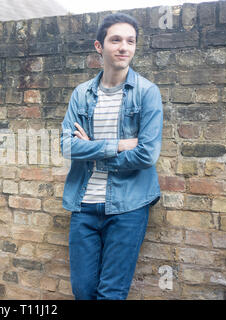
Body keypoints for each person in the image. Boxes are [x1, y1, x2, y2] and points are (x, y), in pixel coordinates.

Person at [60, 13, 164, 300]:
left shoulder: (146, 93)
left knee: (110, 293)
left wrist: (92, 149)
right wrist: (117, 145)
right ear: (99, 46)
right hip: (84, 205)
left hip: (128, 206)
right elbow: (67, 147)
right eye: (115, 40)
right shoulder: (81, 95)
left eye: (130, 41)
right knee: (82, 291)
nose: (123, 47)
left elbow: (146, 154)